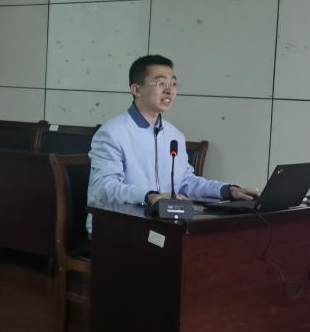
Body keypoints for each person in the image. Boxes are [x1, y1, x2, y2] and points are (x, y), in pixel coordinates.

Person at [87, 55, 257, 228]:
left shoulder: (174, 135)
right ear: (137, 90)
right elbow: (103, 187)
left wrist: (228, 190)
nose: (169, 90)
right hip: (116, 227)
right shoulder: (112, 133)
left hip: (160, 225)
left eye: (173, 84)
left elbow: (185, 182)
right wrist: (149, 196)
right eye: (161, 83)